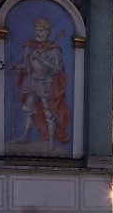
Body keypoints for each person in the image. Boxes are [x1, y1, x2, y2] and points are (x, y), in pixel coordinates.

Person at [10, 14, 71, 149]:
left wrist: (42, 60)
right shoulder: (29, 47)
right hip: (31, 80)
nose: (38, 32)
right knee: (28, 109)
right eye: (36, 29)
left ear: (47, 33)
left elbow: (57, 68)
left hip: (46, 82)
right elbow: (25, 65)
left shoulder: (53, 50)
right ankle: (25, 136)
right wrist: (16, 67)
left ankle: (51, 139)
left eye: (41, 30)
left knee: (48, 111)